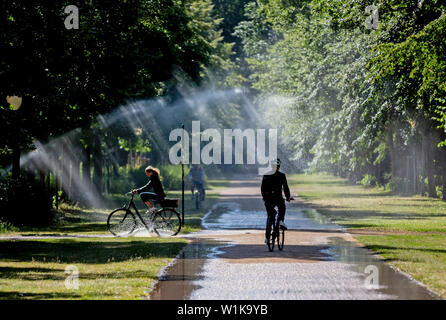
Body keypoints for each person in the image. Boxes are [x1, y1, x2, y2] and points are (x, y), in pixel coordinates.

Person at [261, 158, 292, 243]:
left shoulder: (266, 175)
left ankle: (267, 238)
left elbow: (262, 189)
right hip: (278, 198)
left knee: (270, 215)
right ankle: (281, 221)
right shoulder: (282, 175)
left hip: (268, 199)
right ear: (279, 166)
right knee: (282, 208)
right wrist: (288, 197)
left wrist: (265, 198)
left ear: (271, 166)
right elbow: (285, 188)